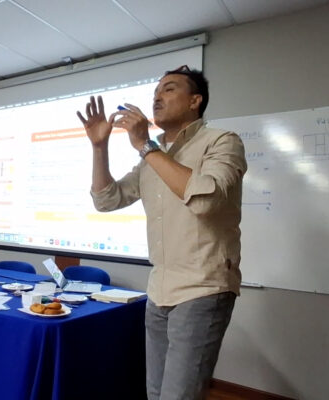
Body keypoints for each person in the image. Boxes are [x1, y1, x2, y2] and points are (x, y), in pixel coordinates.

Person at [76, 65, 247, 400]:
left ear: (195, 100)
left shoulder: (221, 141)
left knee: (178, 395)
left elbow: (206, 200)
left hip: (203, 287)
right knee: (155, 393)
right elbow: (107, 199)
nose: (157, 97)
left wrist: (144, 145)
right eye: (155, 91)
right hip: (159, 289)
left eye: (169, 89)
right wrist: (99, 147)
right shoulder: (152, 159)